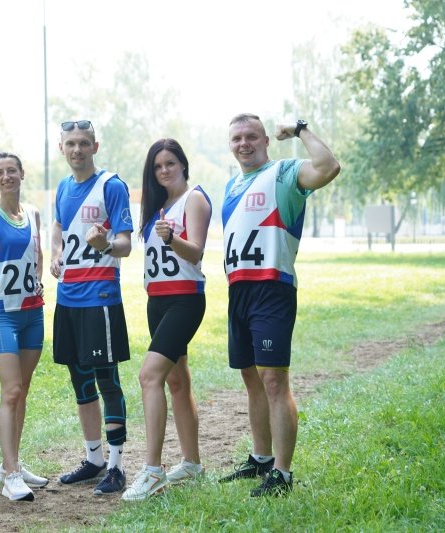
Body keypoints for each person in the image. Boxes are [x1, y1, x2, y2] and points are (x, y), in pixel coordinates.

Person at [220, 114, 340, 496]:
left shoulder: (283, 174)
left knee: (274, 380)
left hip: (272, 289)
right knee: (251, 378)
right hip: (238, 291)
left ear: (266, 140)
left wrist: (301, 130)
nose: (244, 143)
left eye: (251, 136)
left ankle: (283, 475)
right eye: (237, 138)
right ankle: (261, 459)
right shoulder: (231, 186)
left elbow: (328, 166)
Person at [121, 139, 212, 502]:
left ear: (183, 164)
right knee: (177, 380)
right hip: (156, 301)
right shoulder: (157, 206)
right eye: (157, 166)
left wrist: (172, 238)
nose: (164, 171)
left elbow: (196, 251)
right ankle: (191, 463)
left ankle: (152, 471)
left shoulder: (194, 199)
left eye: (170, 163)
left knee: (149, 376)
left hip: (184, 300)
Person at [50, 120, 133, 495]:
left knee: (107, 381)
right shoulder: (63, 187)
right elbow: (58, 228)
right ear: (62, 148)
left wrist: (106, 246)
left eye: (84, 143)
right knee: (80, 381)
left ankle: (116, 467)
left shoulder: (111, 186)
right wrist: (55, 253)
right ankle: (93, 459)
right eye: (70, 143)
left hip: (100, 298)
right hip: (67, 297)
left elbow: (125, 244)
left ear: (95, 146)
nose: (77, 149)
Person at [0, 152, 48, 502]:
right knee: (11, 390)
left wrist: (39, 280)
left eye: (11, 170)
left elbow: (38, 254)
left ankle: (10, 463)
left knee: (23, 389)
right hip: (3, 313)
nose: (6, 176)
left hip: (33, 313)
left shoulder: (33, 213)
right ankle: (10, 476)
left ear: (22, 173)